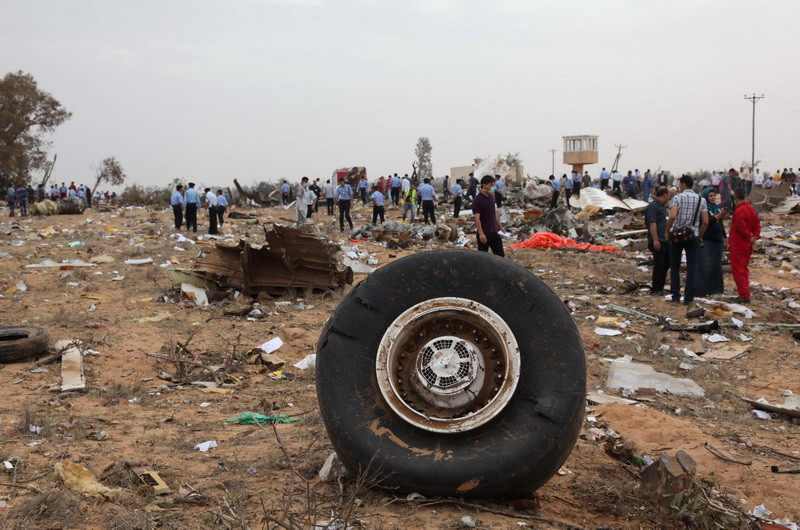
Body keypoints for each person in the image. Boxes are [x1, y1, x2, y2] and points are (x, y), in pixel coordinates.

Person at [666, 175, 709, 305]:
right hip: (693, 236)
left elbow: (673, 216)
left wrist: (667, 231)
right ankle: (689, 298)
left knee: (674, 266)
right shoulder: (701, 200)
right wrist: (699, 235)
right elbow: (705, 222)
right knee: (692, 267)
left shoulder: (677, 198)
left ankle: (675, 296)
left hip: (677, 235)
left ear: (683, 184)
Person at [729, 187, 761, 303]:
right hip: (747, 244)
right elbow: (757, 224)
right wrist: (754, 237)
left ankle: (744, 295)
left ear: (735, 197)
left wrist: (750, 237)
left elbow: (742, 229)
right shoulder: (751, 209)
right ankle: (745, 293)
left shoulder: (738, 211)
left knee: (738, 270)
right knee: (743, 269)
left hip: (738, 244)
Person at [696, 188, 729, 297]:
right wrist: (720, 215)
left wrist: (725, 237)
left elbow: (720, 223)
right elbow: (707, 222)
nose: (713, 197)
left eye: (714, 195)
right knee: (707, 265)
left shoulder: (716, 207)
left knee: (716, 266)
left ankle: (716, 289)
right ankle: (703, 290)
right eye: (710, 196)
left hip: (718, 240)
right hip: (707, 239)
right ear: (705, 197)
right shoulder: (703, 208)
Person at [472, 175, 506, 257]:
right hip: (484, 233)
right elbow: (477, 218)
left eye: (493, 185)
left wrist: (501, 227)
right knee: (483, 257)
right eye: (491, 185)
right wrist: (481, 234)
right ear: (484, 185)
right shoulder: (477, 200)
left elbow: (495, 213)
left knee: (500, 255)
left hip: (494, 232)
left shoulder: (492, 197)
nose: (492, 187)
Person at [645, 186, 671, 294]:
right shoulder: (653, 206)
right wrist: (655, 240)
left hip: (665, 240)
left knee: (666, 264)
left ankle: (660, 288)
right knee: (659, 265)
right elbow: (652, 223)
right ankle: (655, 289)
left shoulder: (662, 207)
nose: (669, 197)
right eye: (669, 195)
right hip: (658, 240)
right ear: (664, 195)